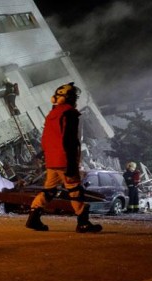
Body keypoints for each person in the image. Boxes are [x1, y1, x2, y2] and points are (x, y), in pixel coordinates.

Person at [25, 82, 102, 233]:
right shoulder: (70, 113)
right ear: (67, 98)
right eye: (73, 97)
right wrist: (72, 164)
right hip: (64, 160)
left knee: (49, 190)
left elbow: (46, 138)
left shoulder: (52, 115)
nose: (75, 100)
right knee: (75, 190)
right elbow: (70, 140)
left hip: (52, 160)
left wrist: (46, 155)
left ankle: (33, 217)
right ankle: (83, 222)